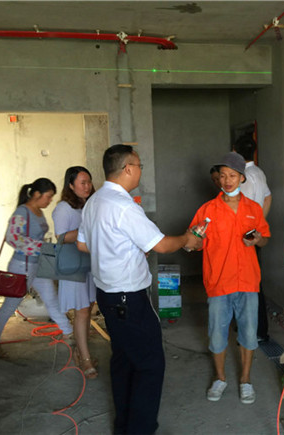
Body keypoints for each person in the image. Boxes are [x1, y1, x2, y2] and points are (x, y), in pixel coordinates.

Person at [77, 144, 201, 435]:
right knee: (149, 365)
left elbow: (83, 244)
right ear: (128, 168)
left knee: (123, 360)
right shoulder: (124, 206)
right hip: (128, 298)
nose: (140, 171)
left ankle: (124, 426)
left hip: (107, 295)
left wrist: (124, 251)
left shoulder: (94, 201)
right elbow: (162, 245)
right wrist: (187, 239)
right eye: (139, 166)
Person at [190, 151, 271, 405]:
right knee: (217, 334)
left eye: (232, 176)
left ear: (242, 178)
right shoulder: (207, 210)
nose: (227, 181)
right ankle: (220, 378)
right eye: (223, 176)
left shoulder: (253, 209)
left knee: (249, 333)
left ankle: (246, 380)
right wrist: (194, 239)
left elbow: (265, 239)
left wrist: (258, 239)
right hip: (219, 282)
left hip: (247, 280)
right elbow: (193, 242)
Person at [0, 178, 73, 358]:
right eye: (48, 196)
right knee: (10, 305)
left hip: (38, 264)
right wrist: (42, 247)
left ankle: (69, 333)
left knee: (51, 299)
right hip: (22, 266)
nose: (50, 201)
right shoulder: (22, 212)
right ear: (36, 194)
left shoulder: (39, 212)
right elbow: (12, 238)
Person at [52, 166, 98, 379]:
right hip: (74, 264)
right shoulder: (63, 208)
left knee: (87, 308)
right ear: (71, 185)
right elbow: (61, 237)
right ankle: (85, 359)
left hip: (90, 262)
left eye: (89, 181)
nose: (87, 186)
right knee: (81, 310)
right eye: (82, 182)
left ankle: (82, 351)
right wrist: (86, 230)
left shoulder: (91, 204)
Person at [234, 135, 272, 342]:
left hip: (244, 236)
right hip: (254, 234)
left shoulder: (244, 176)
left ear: (235, 151)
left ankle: (256, 331)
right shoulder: (258, 172)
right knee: (253, 281)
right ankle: (256, 329)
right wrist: (260, 223)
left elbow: (240, 208)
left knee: (248, 284)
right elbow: (268, 197)